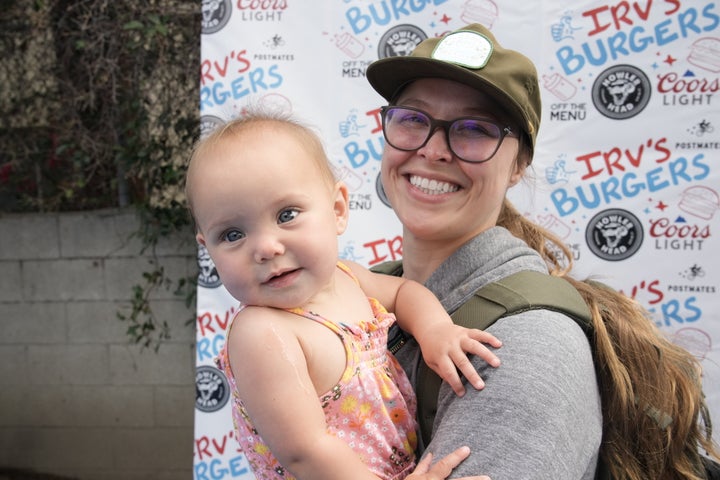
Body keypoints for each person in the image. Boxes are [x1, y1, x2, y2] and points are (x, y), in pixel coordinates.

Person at [366, 23, 720, 480]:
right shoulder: (366, 296)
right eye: (413, 118)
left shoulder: (522, 348)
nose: (433, 150)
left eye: (474, 129)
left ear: (518, 166)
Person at [184, 110, 503, 480]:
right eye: (233, 235)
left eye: (286, 215)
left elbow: (402, 292)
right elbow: (307, 451)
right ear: (208, 248)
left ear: (337, 209)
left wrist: (436, 331)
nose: (266, 247)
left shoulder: (346, 277)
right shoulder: (261, 333)